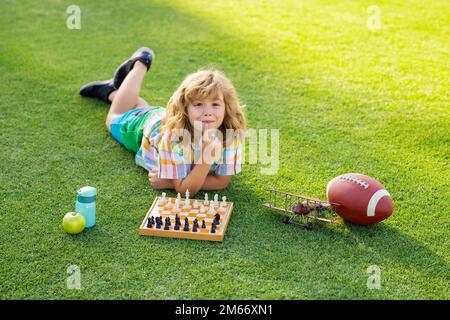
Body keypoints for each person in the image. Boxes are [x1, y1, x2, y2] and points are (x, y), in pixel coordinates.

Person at [79, 47, 246, 196]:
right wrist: (205, 159)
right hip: (144, 128)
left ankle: (116, 92)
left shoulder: (230, 134)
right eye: (198, 104)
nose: (207, 112)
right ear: (185, 108)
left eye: (215, 104)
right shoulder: (174, 138)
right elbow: (185, 189)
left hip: (159, 117)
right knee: (114, 118)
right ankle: (140, 63)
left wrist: (169, 183)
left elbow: (221, 182)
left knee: (137, 105)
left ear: (227, 107)